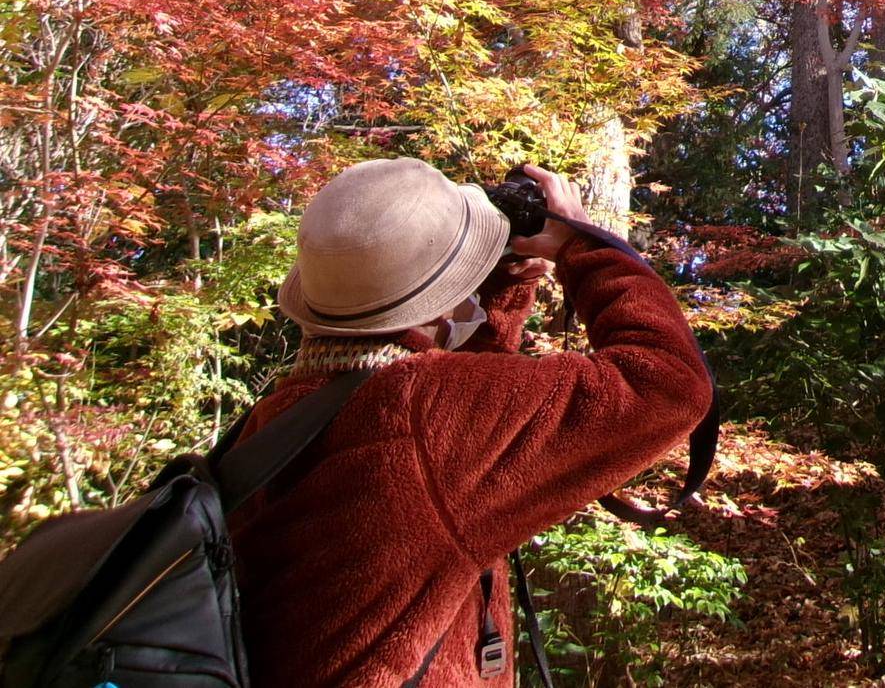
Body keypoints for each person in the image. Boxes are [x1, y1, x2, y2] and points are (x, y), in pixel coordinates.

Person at [227, 157, 711, 686]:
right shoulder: (422, 410)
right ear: (437, 305)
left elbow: (461, 431)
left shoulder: (282, 412)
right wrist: (585, 248)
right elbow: (667, 383)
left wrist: (500, 285)